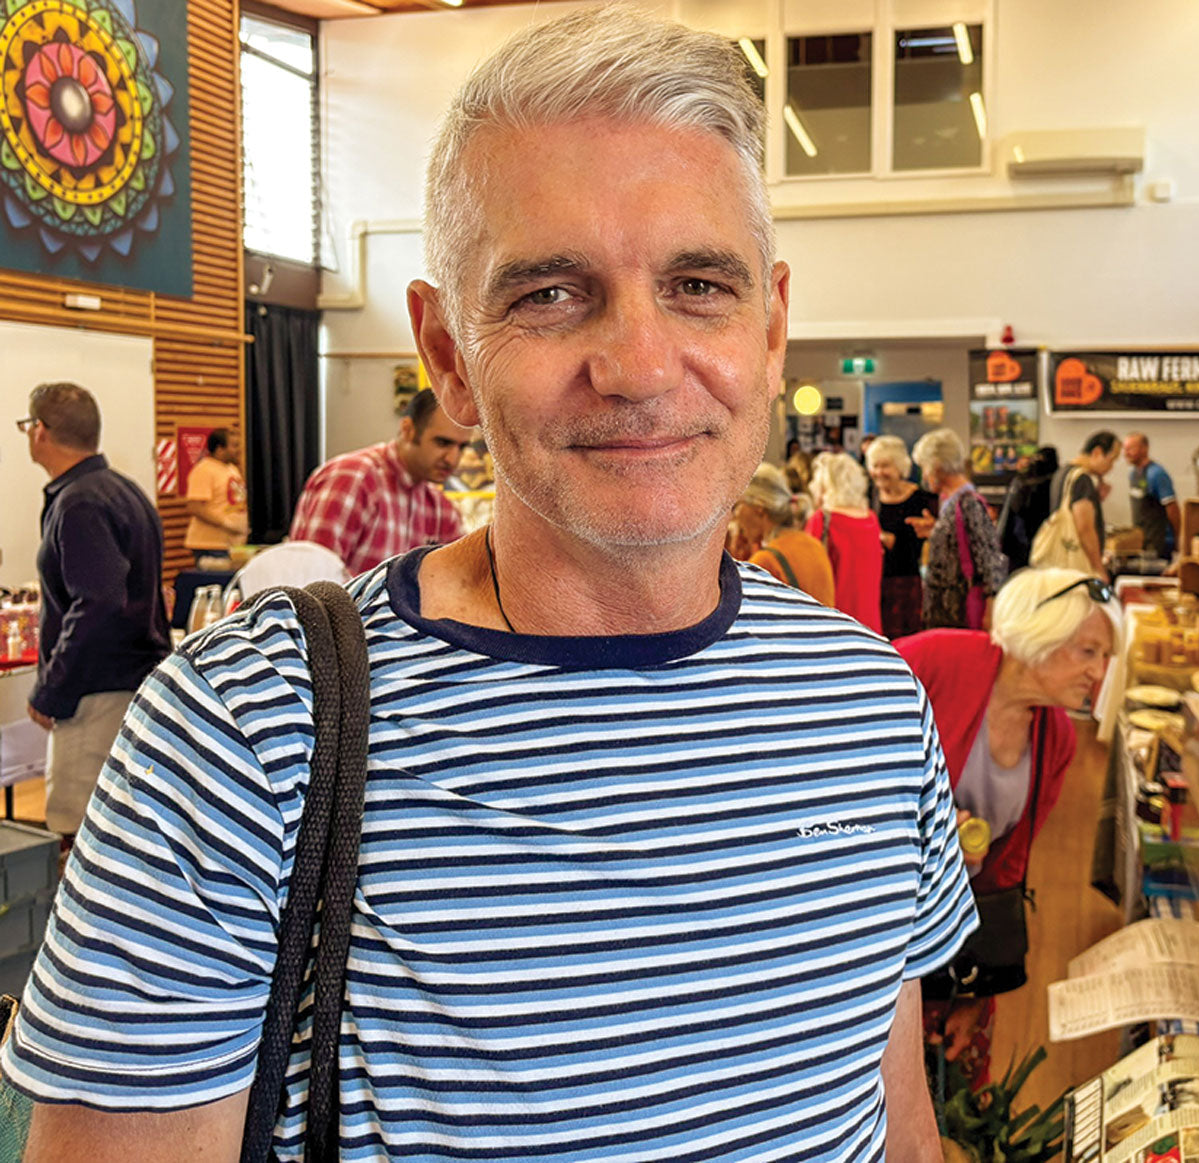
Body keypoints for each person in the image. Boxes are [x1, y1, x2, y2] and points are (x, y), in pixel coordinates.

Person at [4, 12, 978, 1159]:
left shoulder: (863, 702)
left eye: (699, 284)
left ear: (772, 331)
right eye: (550, 295)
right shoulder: (245, 734)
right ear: (449, 357)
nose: (640, 366)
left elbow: (896, 1126)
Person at [896, 567, 1119, 1088]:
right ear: (1042, 633)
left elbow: (1005, 874)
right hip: (876, 930)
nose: (1098, 673)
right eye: (1087, 651)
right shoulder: (936, 660)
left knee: (951, 1097)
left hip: (952, 943)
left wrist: (978, 995)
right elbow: (843, 746)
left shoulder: (1055, 739)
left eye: (1105, 657)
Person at [19, 382, 168, 838]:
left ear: (40, 431)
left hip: (95, 693)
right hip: (130, 683)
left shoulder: (80, 501)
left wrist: (53, 689)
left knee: (79, 836)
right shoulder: (121, 489)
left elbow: (99, 601)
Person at [288, 387, 473, 575]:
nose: (453, 458)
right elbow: (311, 579)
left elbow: (463, 580)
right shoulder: (353, 477)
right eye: (442, 443)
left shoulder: (440, 508)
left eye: (462, 447)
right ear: (408, 430)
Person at [910, 428, 1007, 630]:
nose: (925, 476)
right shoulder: (950, 500)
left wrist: (991, 609)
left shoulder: (968, 503)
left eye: (925, 469)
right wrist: (935, 531)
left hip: (960, 609)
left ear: (936, 466)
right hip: (947, 609)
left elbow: (990, 559)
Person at [733, 462, 836, 605]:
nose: (734, 516)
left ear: (759, 508)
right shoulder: (815, 546)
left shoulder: (765, 562)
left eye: (736, 506)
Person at [869, 435, 937, 639]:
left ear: (900, 468)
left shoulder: (921, 499)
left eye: (885, 466)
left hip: (906, 583)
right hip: (874, 583)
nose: (879, 472)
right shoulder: (868, 495)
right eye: (875, 466)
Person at [806, 451, 883, 632]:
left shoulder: (822, 520)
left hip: (832, 623)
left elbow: (808, 574)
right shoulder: (871, 520)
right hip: (870, 624)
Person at [1051, 430, 1121, 583]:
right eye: (1111, 460)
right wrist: (1098, 568)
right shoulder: (1082, 479)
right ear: (1097, 452)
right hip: (1076, 566)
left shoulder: (1063, 473)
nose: (1111, 467)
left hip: (1060, 564)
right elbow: (1085, 528)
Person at [182, 426, 248, 563]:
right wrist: (226, 524)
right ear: (219, 449)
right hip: (210, 545)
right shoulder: (204, 470)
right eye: (234, 446)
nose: (239, 450)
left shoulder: (232, 468)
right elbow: (194, 507)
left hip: (232, 544)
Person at [996, 446, 1059, 574]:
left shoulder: (1020, 481)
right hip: (1044, 544)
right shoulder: (1055, 482)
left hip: (1018, 546)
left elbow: (1008, 517)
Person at [1123, 431, 1179, 561]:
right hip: (1142, 542)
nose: (1126, 453)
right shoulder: (1133, 474)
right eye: (1124, 449)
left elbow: (1173, 508)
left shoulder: (1157, 474)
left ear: (1144, 449)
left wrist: (1178, 538)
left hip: (1160, 542)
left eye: (1130, 449)